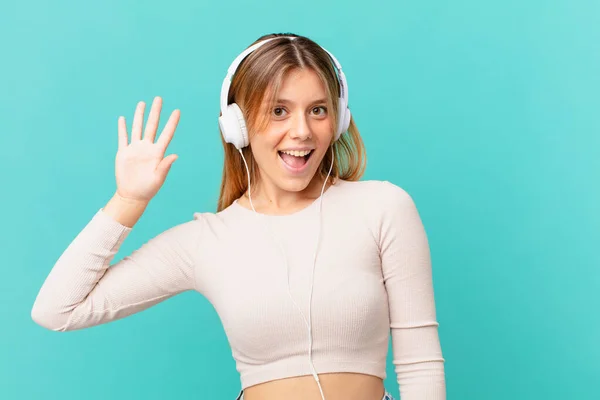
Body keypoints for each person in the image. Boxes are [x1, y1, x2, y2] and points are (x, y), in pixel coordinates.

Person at [31, 33, 446, 400]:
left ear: (338, 121)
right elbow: (57, 310)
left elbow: (420, 362)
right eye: (279, 111)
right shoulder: (206, 241)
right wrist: (128, 199)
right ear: (238, 126)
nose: (302, 131)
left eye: (318, 110)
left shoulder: (383, 207)